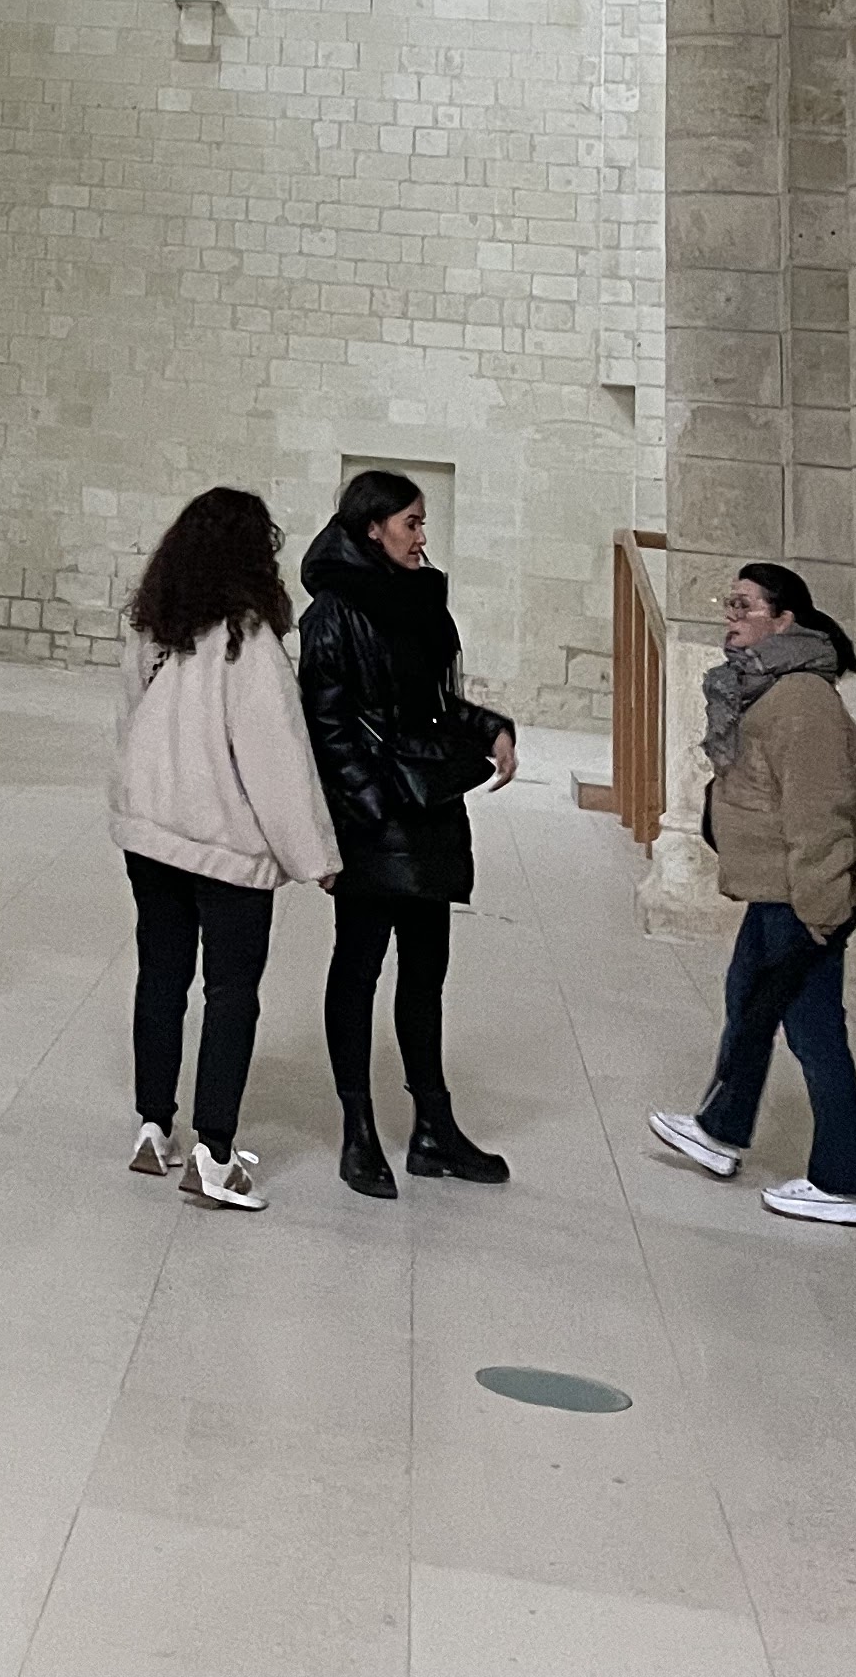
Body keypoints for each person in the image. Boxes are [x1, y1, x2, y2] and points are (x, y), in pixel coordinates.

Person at [110, 486, 340, 1213]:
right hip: (227, 845)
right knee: (231, 993)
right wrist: (316, 858)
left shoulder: (154, 626)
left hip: (151, 833)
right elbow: (277, 759)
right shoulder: (249, 640)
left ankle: (153, 1128)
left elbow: (129, 724)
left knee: (160, 976)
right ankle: (214, 1155)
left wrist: (133, 803)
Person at [297, 468, 517, 1197]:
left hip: (427, 812)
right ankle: (357, 1131)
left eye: (423, 523)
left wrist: (490, 729)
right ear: (372, 528)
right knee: (358, 969)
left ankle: (434, 1129)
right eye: (411, 523)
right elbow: (327, 729)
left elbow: (433, 706)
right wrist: (373, 809)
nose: (422, 537)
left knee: (426, 972)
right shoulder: (332, 613)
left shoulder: (422, 601)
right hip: (373, 822)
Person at [649, 561, 856, 1225]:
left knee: (814, 1031)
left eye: (745, 606)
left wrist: (821, 911)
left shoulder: (803, 699)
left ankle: (841, 1184)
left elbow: (821, 812)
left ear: (784, 622)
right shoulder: (767, 688)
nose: (731, 616)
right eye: (729, 603)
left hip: (804, 895)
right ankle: (720, 1130)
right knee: (747, 1003)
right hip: (775, 889)